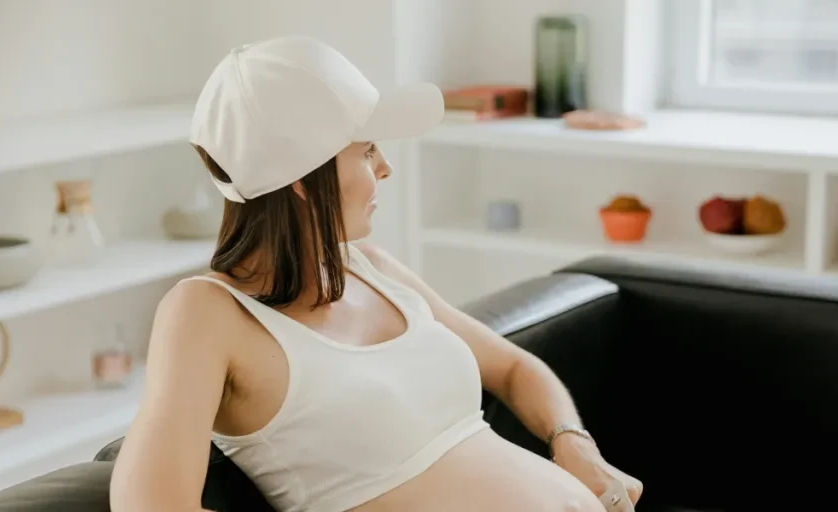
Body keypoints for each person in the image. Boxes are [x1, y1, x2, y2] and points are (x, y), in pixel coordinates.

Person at [109, 35, 642, 512]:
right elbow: (149, 504)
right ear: (303, 177)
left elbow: (515, 369)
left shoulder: (371, 269)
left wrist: (575, 446)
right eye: (366, 151)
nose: (385, 167)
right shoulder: (206, 313)